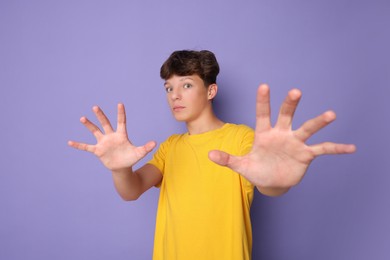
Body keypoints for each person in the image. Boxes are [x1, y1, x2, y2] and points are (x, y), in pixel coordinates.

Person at [68, 50, 356, 260]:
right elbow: (131, 190)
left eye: (186, 85)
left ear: (211, 90)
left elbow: (268, 181)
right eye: (169, 88)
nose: (174, 95)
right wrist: (119, 169)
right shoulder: (171, 147)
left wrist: (279, 182)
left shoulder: (241, 138)